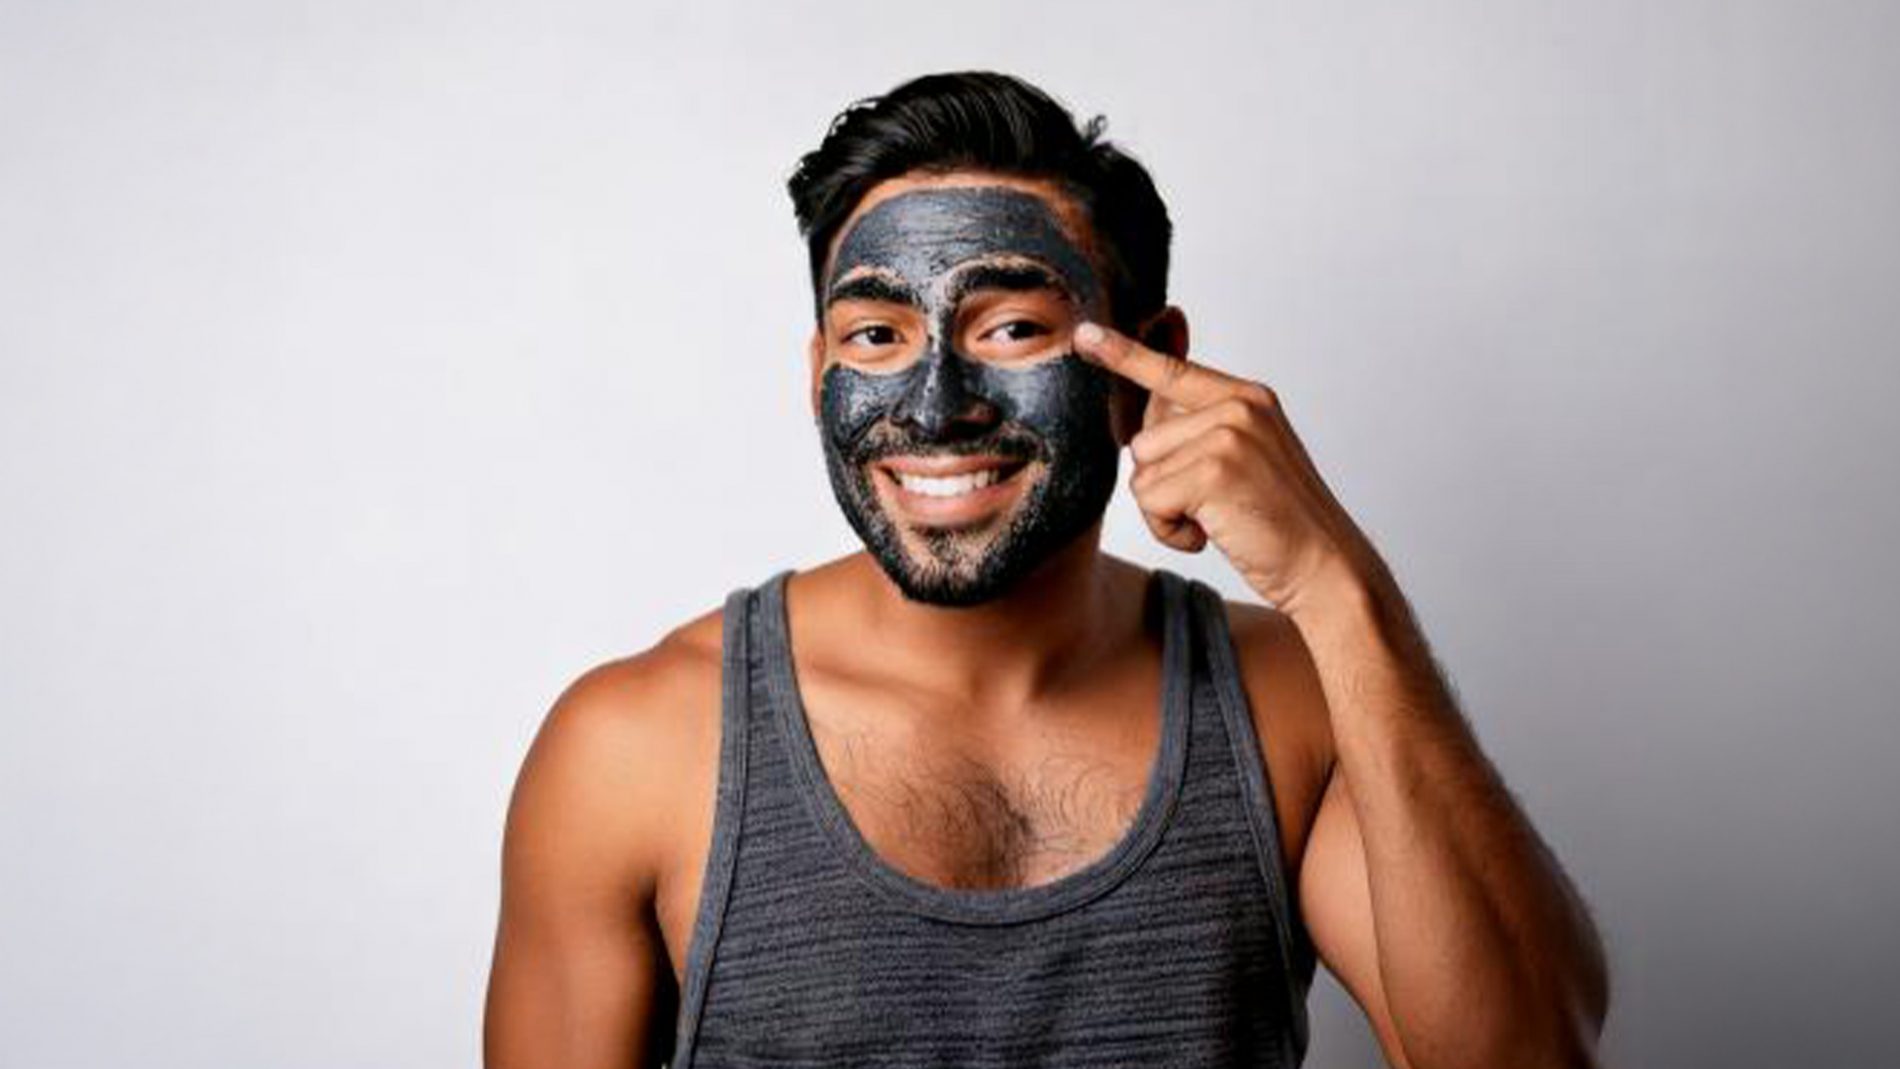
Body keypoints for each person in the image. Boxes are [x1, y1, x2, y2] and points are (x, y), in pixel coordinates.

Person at [483, 71, 1609, 1069]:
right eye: (873, 336)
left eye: (1010, 328)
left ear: (1149, 365)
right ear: (816, 369)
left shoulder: (1292, 703)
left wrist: (1334, 582)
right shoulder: (633, 746)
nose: (933, 409)